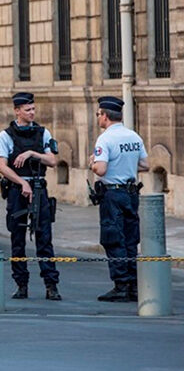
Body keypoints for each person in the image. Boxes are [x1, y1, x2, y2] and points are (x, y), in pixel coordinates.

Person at [0, 92, 61, 301]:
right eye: (27, 110)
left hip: (39, 188)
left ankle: (51, 285)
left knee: (44, 238)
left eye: (33, 109)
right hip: (17, 190)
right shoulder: (5, 135)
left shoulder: (43, 133)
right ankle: (21, 284)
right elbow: (1, 167)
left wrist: (33, 153)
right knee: (17, 239)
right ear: (17, 111)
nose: (32, 113)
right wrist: (22, 182)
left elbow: (52, 160)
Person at [88, 96, 149, 302]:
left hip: (113, 194)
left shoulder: (105, 139)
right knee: (131, 238)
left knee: (113, 238)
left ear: (105, 116)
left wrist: (93, 164)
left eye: (98, 114)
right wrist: (125, 166)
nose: (98, 118)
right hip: (131, 194)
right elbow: (145, 165)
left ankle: (120, 285)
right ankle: (133, 285)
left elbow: (101, 169)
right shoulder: (133, 136)